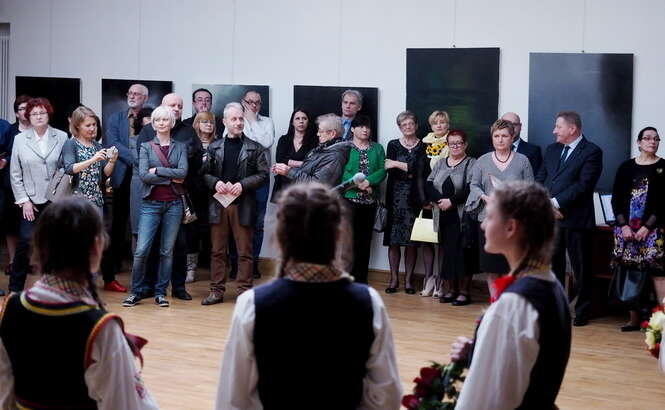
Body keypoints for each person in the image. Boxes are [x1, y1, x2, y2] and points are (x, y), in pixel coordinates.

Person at [215, 182, 402, 410]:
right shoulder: (368, 302)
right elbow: (387, 396)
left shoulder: (253, 304)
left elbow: (233, 400)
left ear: (280, 236)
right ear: (338, 235)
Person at [0, 197, 158, 409]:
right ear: (97, 245)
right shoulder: (100, 327)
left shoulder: (11, 308)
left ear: (39, 246)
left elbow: (4, 394)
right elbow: (125, 404)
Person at [451, 181, 571, 410]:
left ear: (510, 228)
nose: (483, 225)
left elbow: (484, 399)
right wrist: (478, 352)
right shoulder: (550, 284)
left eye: (489, 217)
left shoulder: (515, 303)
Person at [536, 111, 602, 327]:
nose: (554, 131)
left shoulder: (592, 151)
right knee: (552, 267)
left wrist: (555, 202)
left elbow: (583, 185)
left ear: (572, 129)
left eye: (558, 127)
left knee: (581, 268)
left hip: (577, 220)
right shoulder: (552, 149)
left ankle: (582, 311)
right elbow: (542, 177)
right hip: (551, 221)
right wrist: (544, 201)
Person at [201, 102, 269, 305]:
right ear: (224, 121)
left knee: (245, 252)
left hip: (243, 204)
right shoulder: (214, 147)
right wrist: (216, 182)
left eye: (241, 118)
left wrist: (242, 185)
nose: (239, 122)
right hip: (219, 204)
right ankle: (216, 291)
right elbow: (203, 174)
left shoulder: (255, 147)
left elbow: (263, 175)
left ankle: (244, 293)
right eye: (234, 119)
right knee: (217, 251)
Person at [121, 106, 188, 308]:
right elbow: (144, 176)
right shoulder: (146, 147)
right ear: (153, 123)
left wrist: (158, 170)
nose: (161, 123)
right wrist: (170, 177)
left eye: (165, 119)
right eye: (157, 120)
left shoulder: (180, 147)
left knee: (167, 251)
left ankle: (160, 292)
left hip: (174, 205)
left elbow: (183, 173)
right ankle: (136, 292)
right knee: (141, 250)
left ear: (171, 123)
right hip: (150, 204)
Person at [136, 93, 196, 301]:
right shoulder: (147, 131)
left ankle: (178, 287)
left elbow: (192, 164)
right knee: (150, 245)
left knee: (179, 245)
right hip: (153, 196)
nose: (176, 108)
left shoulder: (189, 131)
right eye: (172, 105)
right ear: (161, 107)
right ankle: (148, 286)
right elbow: (143, 168)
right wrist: (171, 175)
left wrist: (164, 172)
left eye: (180, 105)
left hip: (179, 196)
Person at [466, 119, 534, 300]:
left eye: (504, 136)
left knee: (512, 267)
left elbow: (530, 189)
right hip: (489, 221)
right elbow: (474, 185)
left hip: (514, 224)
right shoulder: (482, 161)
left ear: (512, 137)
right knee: (492, 267)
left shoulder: (522, 161)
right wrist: (485, 197)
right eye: (496, 136)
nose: (500, 139)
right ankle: (495, 304)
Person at [9, 97, 68, 293]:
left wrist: (61, 198)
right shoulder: (20, 139)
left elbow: (66, 169)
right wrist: (24, 200)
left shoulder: (61, 136)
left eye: (42, 112)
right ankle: (15, 289)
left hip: (55, 200)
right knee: (25, 242)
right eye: (34, 114)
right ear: (28, 117)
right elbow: (15, 173)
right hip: (31, 201)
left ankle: (53, 289)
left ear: (48, 114)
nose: (38, 116)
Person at [610, 126, 665, 331]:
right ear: (639, 142)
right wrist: (623, 225)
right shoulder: (626, 167)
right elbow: (616, 199)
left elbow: (663, 204)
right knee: (629, 271)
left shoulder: (663, 167)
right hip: (626, 231)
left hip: (653, 231)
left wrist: (647, 227)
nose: (652, 142)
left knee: (658, 273)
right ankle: (633, 319)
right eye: (648, 138)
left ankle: (662, 323)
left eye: (656, 139)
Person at [104, 83, 150, 290]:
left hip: (145, 176)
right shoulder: (116, 118)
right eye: (130, 93)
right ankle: (115, 262)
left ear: (145, 98)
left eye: (137, 94)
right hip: (123, 173)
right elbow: (112, 142)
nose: (132, 96)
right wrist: (136, 159)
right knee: (118, 221)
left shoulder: (151, 117)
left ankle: (141, 264)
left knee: (142, 219)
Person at [426, 130, 477, 305]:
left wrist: (451, 201)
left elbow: (471, 188)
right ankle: (451, 289)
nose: (455, 146)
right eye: (451, 143)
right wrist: (439, 201)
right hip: (442, 215)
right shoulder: (441, 163)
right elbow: (429, 184)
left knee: (463, 253)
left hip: (462, 216)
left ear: (465, 144)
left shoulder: (471, 163)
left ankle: (464, 292)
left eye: (459, 143)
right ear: (447, 145)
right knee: (448, 253)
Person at [383, 111, 429, 295]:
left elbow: (423, 171)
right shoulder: (393, 144)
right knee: (393, 241)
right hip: (395, 198)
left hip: (415, 198)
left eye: (411, 124)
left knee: (411, 242)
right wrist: (410, 171)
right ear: (399, 127)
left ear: (416, 125)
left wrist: (398, 164)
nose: (408, 127)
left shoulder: (425, 145)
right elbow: (389, 170)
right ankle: (393, 279)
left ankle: (409, 280)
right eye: (404, 124)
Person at [341, 115, 386, 284]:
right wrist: (358, 183)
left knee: (365, 241)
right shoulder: (344, 147)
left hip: (369, 202)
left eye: (368, 127)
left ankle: (361, 280)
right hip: (349, 200)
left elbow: (383, 169)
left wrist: (369, 182)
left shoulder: (377, 148)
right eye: (361, 126)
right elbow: (341, 171)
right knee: (347, 241)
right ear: (352, 129)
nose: (365, 130)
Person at [0, 95, 31, 292]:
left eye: (28, 108)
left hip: (33, 186)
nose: (25, 112)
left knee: (29, 227)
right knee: (12, 225)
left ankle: (27, 261)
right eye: (21, 109)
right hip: (11, 184)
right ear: (16, 113)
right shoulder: (9, 130)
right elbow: (3, 152)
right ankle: (13, 261)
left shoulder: (39, 130)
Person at [62, 106, 118, 214]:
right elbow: (69, 168)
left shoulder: (97, 145)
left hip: (97, 200)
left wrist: (112, 160)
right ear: (77, 126)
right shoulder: (71, 144)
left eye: (94, 124)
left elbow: (105, 174)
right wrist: (92, 159)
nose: (92, 128)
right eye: (88, 125)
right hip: (76, 201)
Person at [271, 113, 352, 186]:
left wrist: (289, 171)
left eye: (320, 131)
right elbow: (307, 171)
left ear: (332, 133)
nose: (318, 134)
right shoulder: (324, 149)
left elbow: (317, 185)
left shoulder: (334, 157)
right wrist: (284, 169)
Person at [184, 111, 218, 283]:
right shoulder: (190, 145)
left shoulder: (219, 144)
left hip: (215, 194)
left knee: (213, 232)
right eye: (204, 122)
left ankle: (215, 269)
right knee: (192, 231)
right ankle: (190, 268)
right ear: (197, 124)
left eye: (211, 122)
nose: (209, 125)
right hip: (194, 194)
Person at [270, 107, 317, 202]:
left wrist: (288, 162)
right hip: (284, 183)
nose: (301, 121)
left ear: (308, 122)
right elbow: (280, 160)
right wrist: (303, 163)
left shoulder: (315, 141)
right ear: (292, 122)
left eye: (304, 118)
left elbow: (314, 163)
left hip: (304, 184)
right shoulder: (284, 140)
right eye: (297, 118)